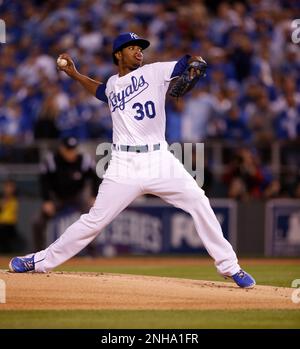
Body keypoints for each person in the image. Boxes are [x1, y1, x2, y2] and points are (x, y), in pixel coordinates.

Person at [9, 32, 255, 288]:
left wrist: (196, 64)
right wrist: (75, 74)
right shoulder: (113, 84)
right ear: (118, 54)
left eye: (141, 48)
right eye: (132, 48)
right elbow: (102, 92)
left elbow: (190, 60)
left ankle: (230, 267)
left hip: (159, 159)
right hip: (123, 163)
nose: (139, 52)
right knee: (94, 220)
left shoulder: (154, 72)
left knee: (199, 201)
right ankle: (38, 261)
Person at [32, 136, 100, 251]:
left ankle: (92, 251)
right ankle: (38, 252)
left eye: (73, 149)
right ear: (61, 149)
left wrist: (93, 196)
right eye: (68, 149)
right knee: (37, 221)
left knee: (92, 217)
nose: (71, 152)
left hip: (78, 194)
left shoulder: (84, 160)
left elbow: (95, 178)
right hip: (57, 196)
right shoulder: (52, 160)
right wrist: (47, 200)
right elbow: (44, 181)